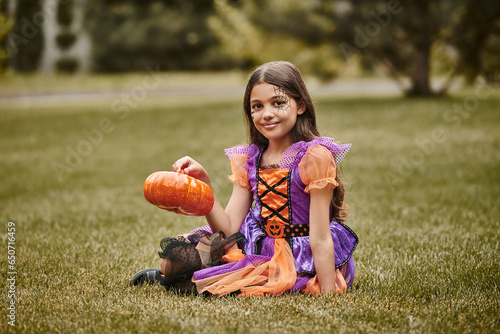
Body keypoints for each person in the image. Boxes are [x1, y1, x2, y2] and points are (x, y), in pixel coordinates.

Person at [130, 61, 358, 296]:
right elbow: (228, 231)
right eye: (257, 106)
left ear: (300, 105)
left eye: (278, 103)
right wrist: (204, 186)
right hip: (255, 245)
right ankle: (180, 276)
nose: (267, 114)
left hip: (299, 256)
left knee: (218, 281)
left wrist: (328, 290)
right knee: (177, 257)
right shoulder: (250, 159)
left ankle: (190, 279)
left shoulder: (315, 157)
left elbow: (320, 238)